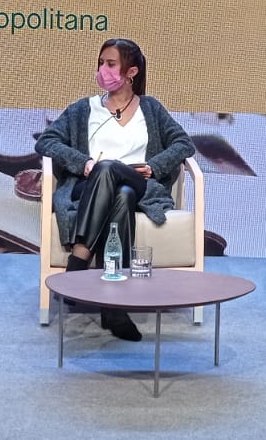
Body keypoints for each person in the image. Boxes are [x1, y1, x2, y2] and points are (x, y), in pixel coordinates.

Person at [35, 38, 196, 341]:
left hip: (140, 182)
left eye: (110, 64)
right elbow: (47, 141)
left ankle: (78, 261)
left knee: (112, 170)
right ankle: (114, 307)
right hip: (90, 186)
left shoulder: (150, 108)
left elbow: (183, 144)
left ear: (131, 72)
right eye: (101, 63)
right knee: (119, 191)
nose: (102, 70)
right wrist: (82, 162)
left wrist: (154, 166)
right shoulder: (84, 109)